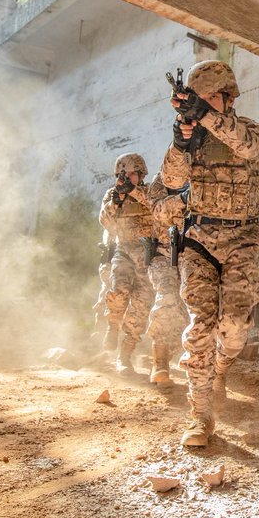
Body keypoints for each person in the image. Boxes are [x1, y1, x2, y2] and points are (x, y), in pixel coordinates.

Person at [159, 60, 259, 447]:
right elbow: (171, 181)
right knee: (200, 328)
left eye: (209, 98)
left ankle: (222, 367)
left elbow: (251, 148)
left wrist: (202, 115)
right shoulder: (194, 137)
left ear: (229, 97)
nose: (203, 105)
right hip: (200, 241)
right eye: (199, 99)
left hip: (241, 240)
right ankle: (200, 413)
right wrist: (180, 141)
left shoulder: (251, 130)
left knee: (235, 327)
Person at [97, 152, 155, 374]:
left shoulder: (151, 191)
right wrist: (117, 201)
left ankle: (125, 355)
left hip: (147, 255)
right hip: (124, 250)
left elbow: (159, 209)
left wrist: (134, 192)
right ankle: (112, 326)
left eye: (131, 174)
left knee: (140, 306)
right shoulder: (112, 195)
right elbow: (105, 222)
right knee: (118, 292)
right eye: (122, 174)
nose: (126, 178)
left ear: (141, 174)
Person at [137, 172, 189, 385]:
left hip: (195, 256)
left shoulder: (206, 171)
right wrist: (185, 199)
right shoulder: (164, 178)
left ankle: (198, 363)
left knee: (192, 308)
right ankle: (160, 360)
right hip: (163, 256)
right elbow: (159, 211)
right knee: (167, 297)